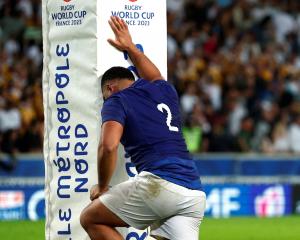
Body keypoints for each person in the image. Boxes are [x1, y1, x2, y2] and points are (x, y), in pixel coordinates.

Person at [80, 16, 206, 240]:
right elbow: (154, 74)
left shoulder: (116, 100)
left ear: (110, 87)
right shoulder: (164, 90)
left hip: (160, 184)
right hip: (194, 194)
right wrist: (130, 47)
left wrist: (102, 186)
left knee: (90, 218)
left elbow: (108, 147)